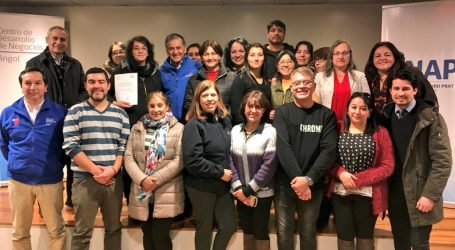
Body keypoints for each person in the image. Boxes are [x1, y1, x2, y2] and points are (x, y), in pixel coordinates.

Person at [63, 67, 130, 250]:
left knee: (114, 229)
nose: (96, 86)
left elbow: (122, 147)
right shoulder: (75, 112)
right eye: (91, 82)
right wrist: (97, 171)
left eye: (101, 81)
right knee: (82, 232)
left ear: (108, 86)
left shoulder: (121, 114)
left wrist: (113, 170)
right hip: (84, 181)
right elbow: (71, 146)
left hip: (113, 181)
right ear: (85, 85)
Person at [384, 68, 451, 250]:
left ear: (415, 90)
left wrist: (430, 195)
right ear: (390, 90)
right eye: (396, 88)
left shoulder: (430, 118)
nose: (400, 93)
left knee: (420, 244)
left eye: (405, 89)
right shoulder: (385, 115)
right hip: (395, 193)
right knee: (400, 242)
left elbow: (443, 162)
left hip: (420, 193)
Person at [0, 68, 66, 250]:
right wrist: (19, 163)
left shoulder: (60, 112)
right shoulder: (8, 113)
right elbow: (4, 144)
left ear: (45, 86)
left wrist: (55, 164)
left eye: (37, 83)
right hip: (19, 181)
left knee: (57, 231)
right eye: (27, 83)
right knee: (19, 232)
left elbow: (66, 145)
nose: (32, 87)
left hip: (50, 180)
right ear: (21, 86)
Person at [273, 67, 338, 250]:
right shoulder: (282, 112)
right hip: (285, 184)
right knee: (284, 232)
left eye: (306, 82)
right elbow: (282, 148)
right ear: (291, 87)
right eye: (297, 83)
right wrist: (299, 180)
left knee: (308, 231)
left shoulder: (327, 115)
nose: (302, 86)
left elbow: (328, 151)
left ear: (314, 85)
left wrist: (307, 180)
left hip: (313, 186)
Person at [26, 25, 86, 209]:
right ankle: (47, 206)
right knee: (50, 162)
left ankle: (71, 200)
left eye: (63, 39)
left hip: (70, 120)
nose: (59, 42)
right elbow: (31, 91)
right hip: (46, 121)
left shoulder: (75, 64)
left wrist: (74, 106)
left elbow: (83, 91)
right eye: (55, 38)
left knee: (72, 161)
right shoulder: (35, 63)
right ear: (47, 39)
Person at [328, 92, 394, 250]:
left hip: (368, 196)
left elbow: (388, 165)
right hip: (340, 194)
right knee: (344, 238)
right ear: (347, 109)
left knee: (365, 239)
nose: (357, 112)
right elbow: (327, 159)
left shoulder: (380, 132)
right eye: (354, 107)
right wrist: (340, 173)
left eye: (363, 108)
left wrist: (359, 180)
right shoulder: (336, 129)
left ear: (370, 112)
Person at [124, 91, 184, 250]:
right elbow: (128, 157)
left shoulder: (179, 129)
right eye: (152, 106)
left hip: (166, 191)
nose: (156, 109)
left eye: (160, 105)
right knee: (147, 235)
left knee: (160, 236)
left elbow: (180, 160)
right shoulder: (137, 127)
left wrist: (154, 180)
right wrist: (143, 180)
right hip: (142, 190)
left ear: (167, 107)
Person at [182, 80, 237, 250]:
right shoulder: (193, 125)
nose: (210, 98)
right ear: (198, 100)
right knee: (204, 229)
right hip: (201, 186)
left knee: (228, 226)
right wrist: (220, 172)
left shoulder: (225, 121)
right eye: (205, 95)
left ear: (218, 97)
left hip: (222, 184)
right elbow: (193, 162)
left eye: (213, 94)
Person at [110, 35, 162, 204]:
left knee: (150, 164)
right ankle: (132, 202)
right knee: (130, 165)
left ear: (149, 52)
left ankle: (150, 202)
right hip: (129, 124)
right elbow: (108, 94)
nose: (140, 51)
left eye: (143, 48)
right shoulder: (121, 70)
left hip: (153, 125)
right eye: (136, 48)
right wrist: (114, 102)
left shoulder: (156, 71)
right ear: (130, 51)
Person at [230, 90, 277, 250]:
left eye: (259, 107)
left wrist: (249, 190)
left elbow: (269, 166)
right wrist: (238, 187)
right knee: (247, 230)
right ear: (244, 107)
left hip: (261, 194)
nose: (254, 110)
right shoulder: (235, 130)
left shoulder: (270, 131)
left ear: (264, 110)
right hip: (240, 193)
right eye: (250, 106)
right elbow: (230, 160)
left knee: (260, 232)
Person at [364, 41, 438, 124]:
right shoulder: (368, 79)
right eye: (377, 56)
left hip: (407, 126)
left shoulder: (411, 73)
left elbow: (430, 101)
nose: (382, 58)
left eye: (387, 55)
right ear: (372, 60)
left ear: (395, 57)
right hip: (378, 131)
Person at [315, 39, 370, 132]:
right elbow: (316, 103)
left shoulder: (360, 76)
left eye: (345, 53)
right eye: (337, 53)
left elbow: (367, 102)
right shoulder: (320, 77)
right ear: (331, 57)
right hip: (327, 125)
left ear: (350, 55)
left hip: (353, 126)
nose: (341, 56)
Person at [184, 40, 236, 115]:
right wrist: (203, 117)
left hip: (225, 123)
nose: (210, 57)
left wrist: (223, 117)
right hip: (201, 123)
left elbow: (236, 105)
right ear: (201, 57)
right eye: (206, 54)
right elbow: (188, 104)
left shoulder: (232, 77)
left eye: (213, 54)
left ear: (219, 56)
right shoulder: (193, 79)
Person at [160, 34, 201, 123]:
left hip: (192, 120)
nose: (175, 52)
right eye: (171, 49)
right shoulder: (162, 71)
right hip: (170, 122)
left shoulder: (196, 66)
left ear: (185, 48)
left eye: (178, 48)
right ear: (167, 51)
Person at [230, 43, 271, 125]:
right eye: (252, 55)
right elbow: (236, 111)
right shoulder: (241, 79)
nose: (256, 58)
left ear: (264, 58)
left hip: (264, 128)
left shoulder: (267, 81)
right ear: (247, 58)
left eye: (260, 55)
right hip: (247, 129)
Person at [270, 50, 297, 120]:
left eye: (289, 61)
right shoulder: (273, 85)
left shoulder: (301, 84)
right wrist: (269, 113)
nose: (285, 65)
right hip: (277, 125)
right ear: (277, 67)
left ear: (295, 65)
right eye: (282, 62)